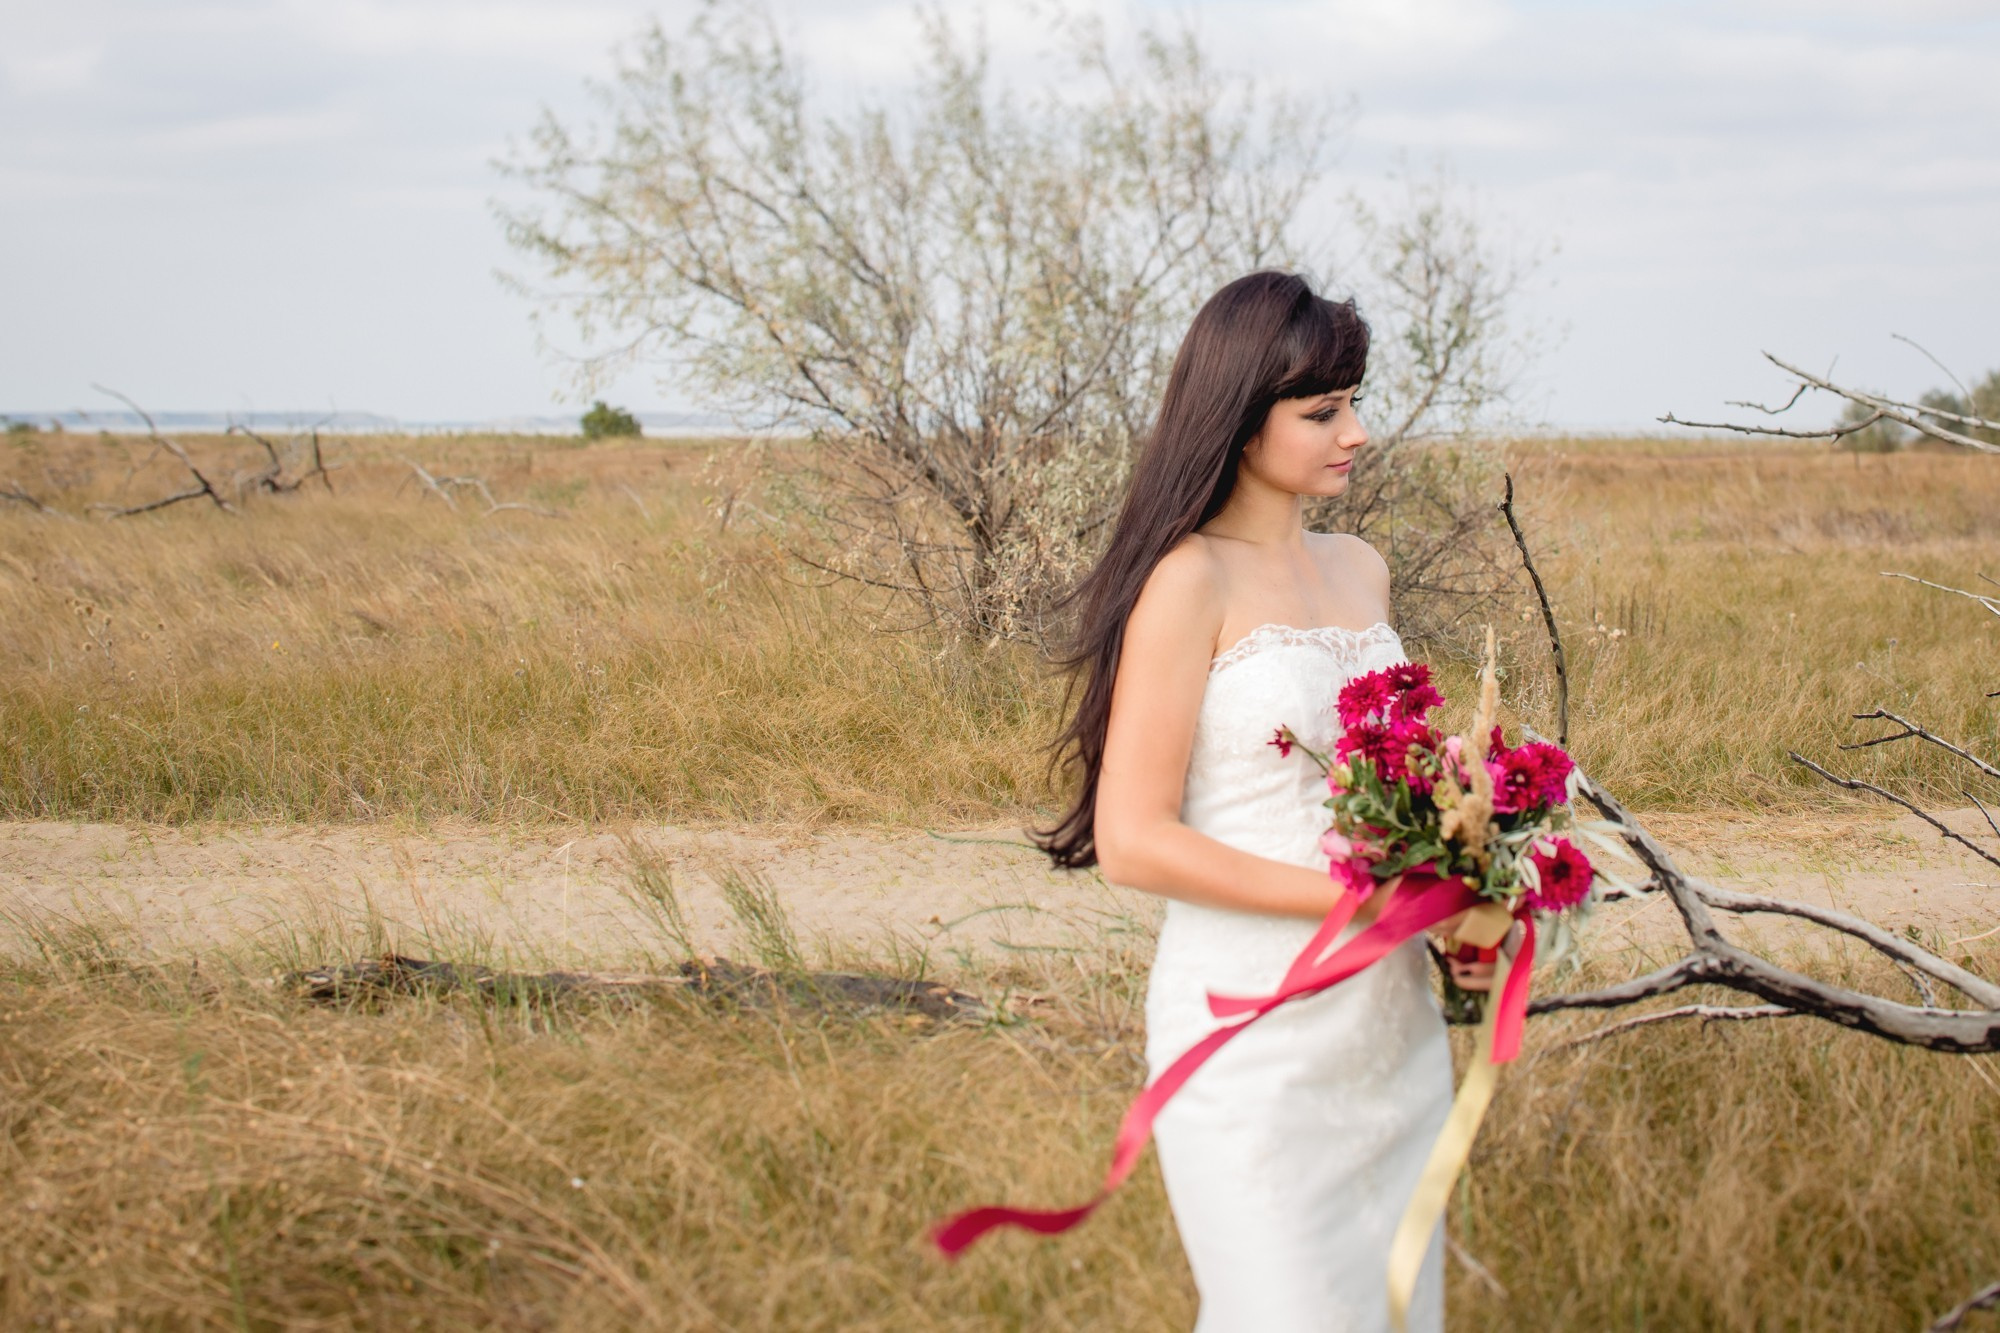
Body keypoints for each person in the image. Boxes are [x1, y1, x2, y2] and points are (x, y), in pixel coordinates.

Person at [1034, 270, 1493, 1331]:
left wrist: (1469, 901)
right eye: (1322, 410)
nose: (1357, 431)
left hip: (1387, 1031)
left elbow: (1408, 800)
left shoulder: (1359, 570)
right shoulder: (1186, 580)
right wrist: (1367, 906)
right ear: (1241, 419)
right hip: (1252, 1036)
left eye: (1351, 403)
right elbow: (1133, 841)